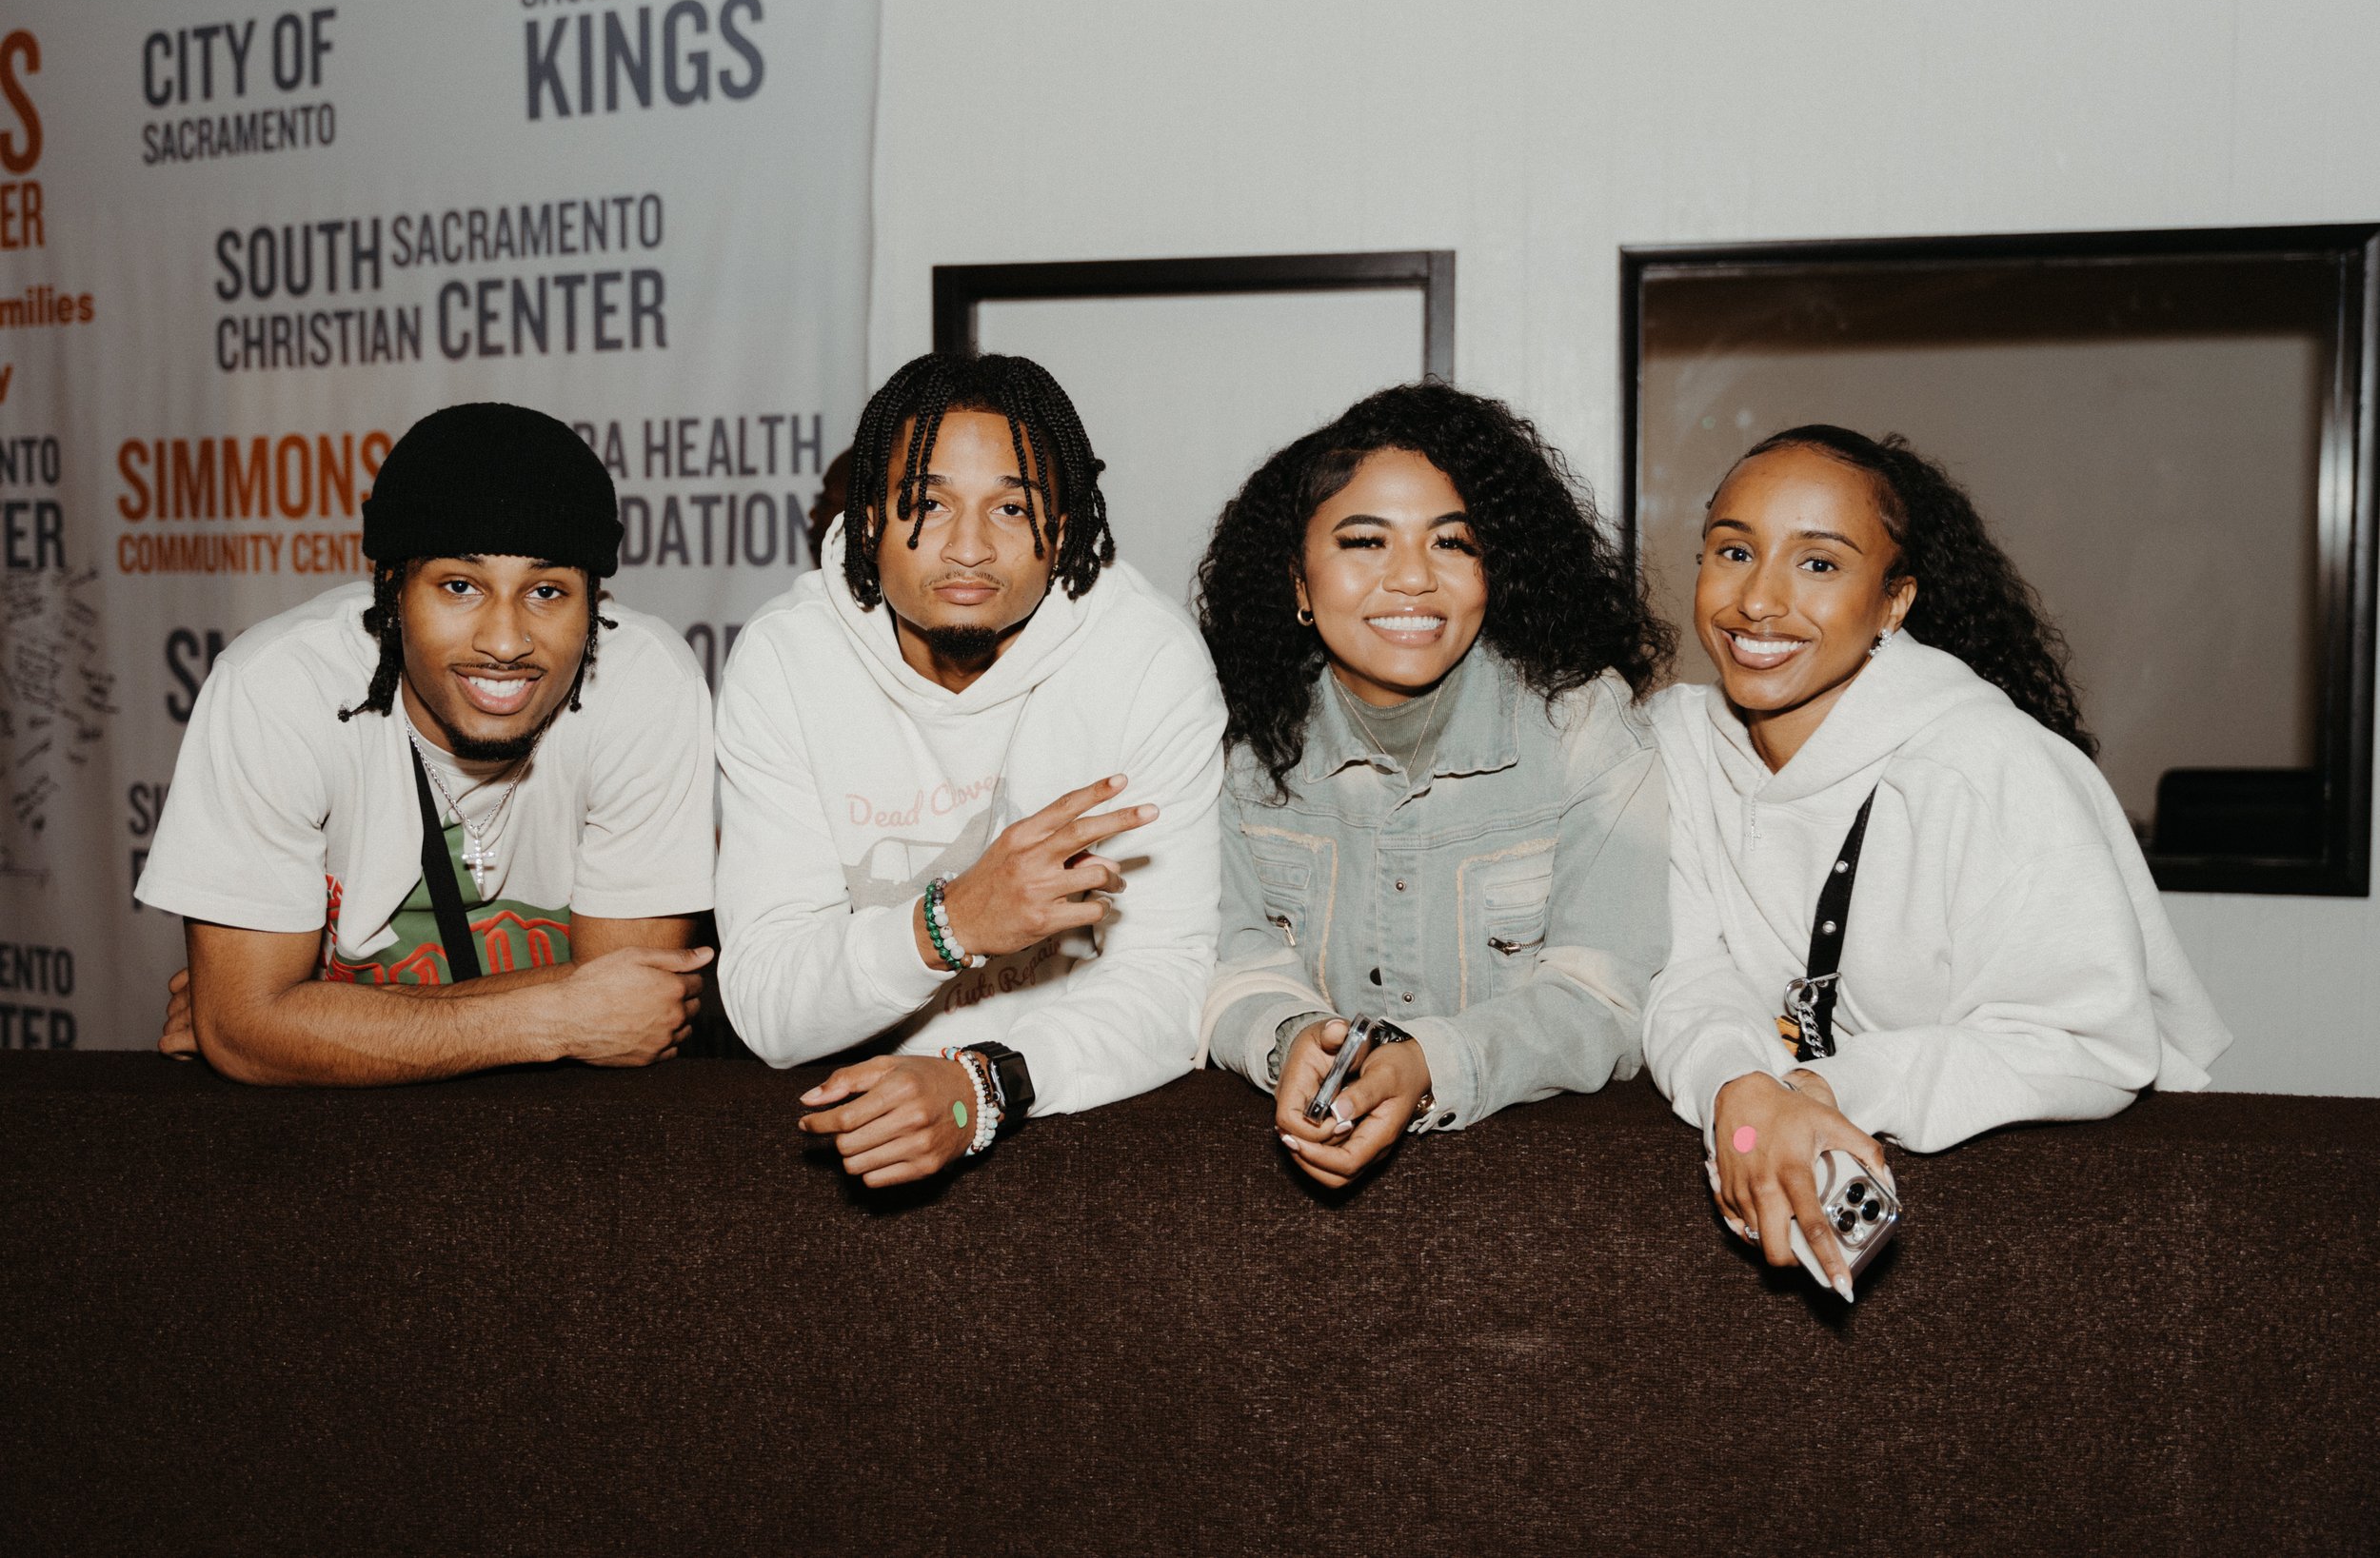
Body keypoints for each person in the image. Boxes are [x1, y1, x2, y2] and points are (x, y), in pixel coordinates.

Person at [1643, 424, 2231, 1295]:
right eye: (1735, 550)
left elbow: (2090, 1042)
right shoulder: (1679, 744)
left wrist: (1824, 1087)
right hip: (1825, 1185)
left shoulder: (1990, 766)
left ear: (1894, 602)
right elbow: (1690, 971)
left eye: (1819, 564)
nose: (1759, 600)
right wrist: (1740, 1090)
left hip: (2062, 1220)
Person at [715, 351, 1225, 1187]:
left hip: (1077, 1112)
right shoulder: (788, 659)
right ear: (871, 519)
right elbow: (771, 1008)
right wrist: (951, 924)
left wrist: (979, 1083)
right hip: (852, 1119)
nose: (968, 548)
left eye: (1011, 508)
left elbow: (1170, 986)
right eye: (928, 503)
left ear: (1061, 530)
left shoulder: (1144, 659)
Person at [142, 403, 718, 1085]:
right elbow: (245, 1032)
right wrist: (558, 1014)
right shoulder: (279, 687)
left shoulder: (642, 680)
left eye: (546, 591)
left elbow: (630, 1017)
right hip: (329, 1147)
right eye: (459, 585)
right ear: (390, 590)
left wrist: (313, 1017)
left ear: (593, 601)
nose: (505, 641)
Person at [1197, 383, 1673, 1189]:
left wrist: (1433, 1064)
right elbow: (1229, 966)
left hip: (1535, 1195)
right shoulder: (1233, 748)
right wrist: (1292, 1040)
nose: (1413, 578)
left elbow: (1608, 997)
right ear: (1300, 585)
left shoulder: (1587, 728)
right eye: (1364, 542)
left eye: (1453, 542)